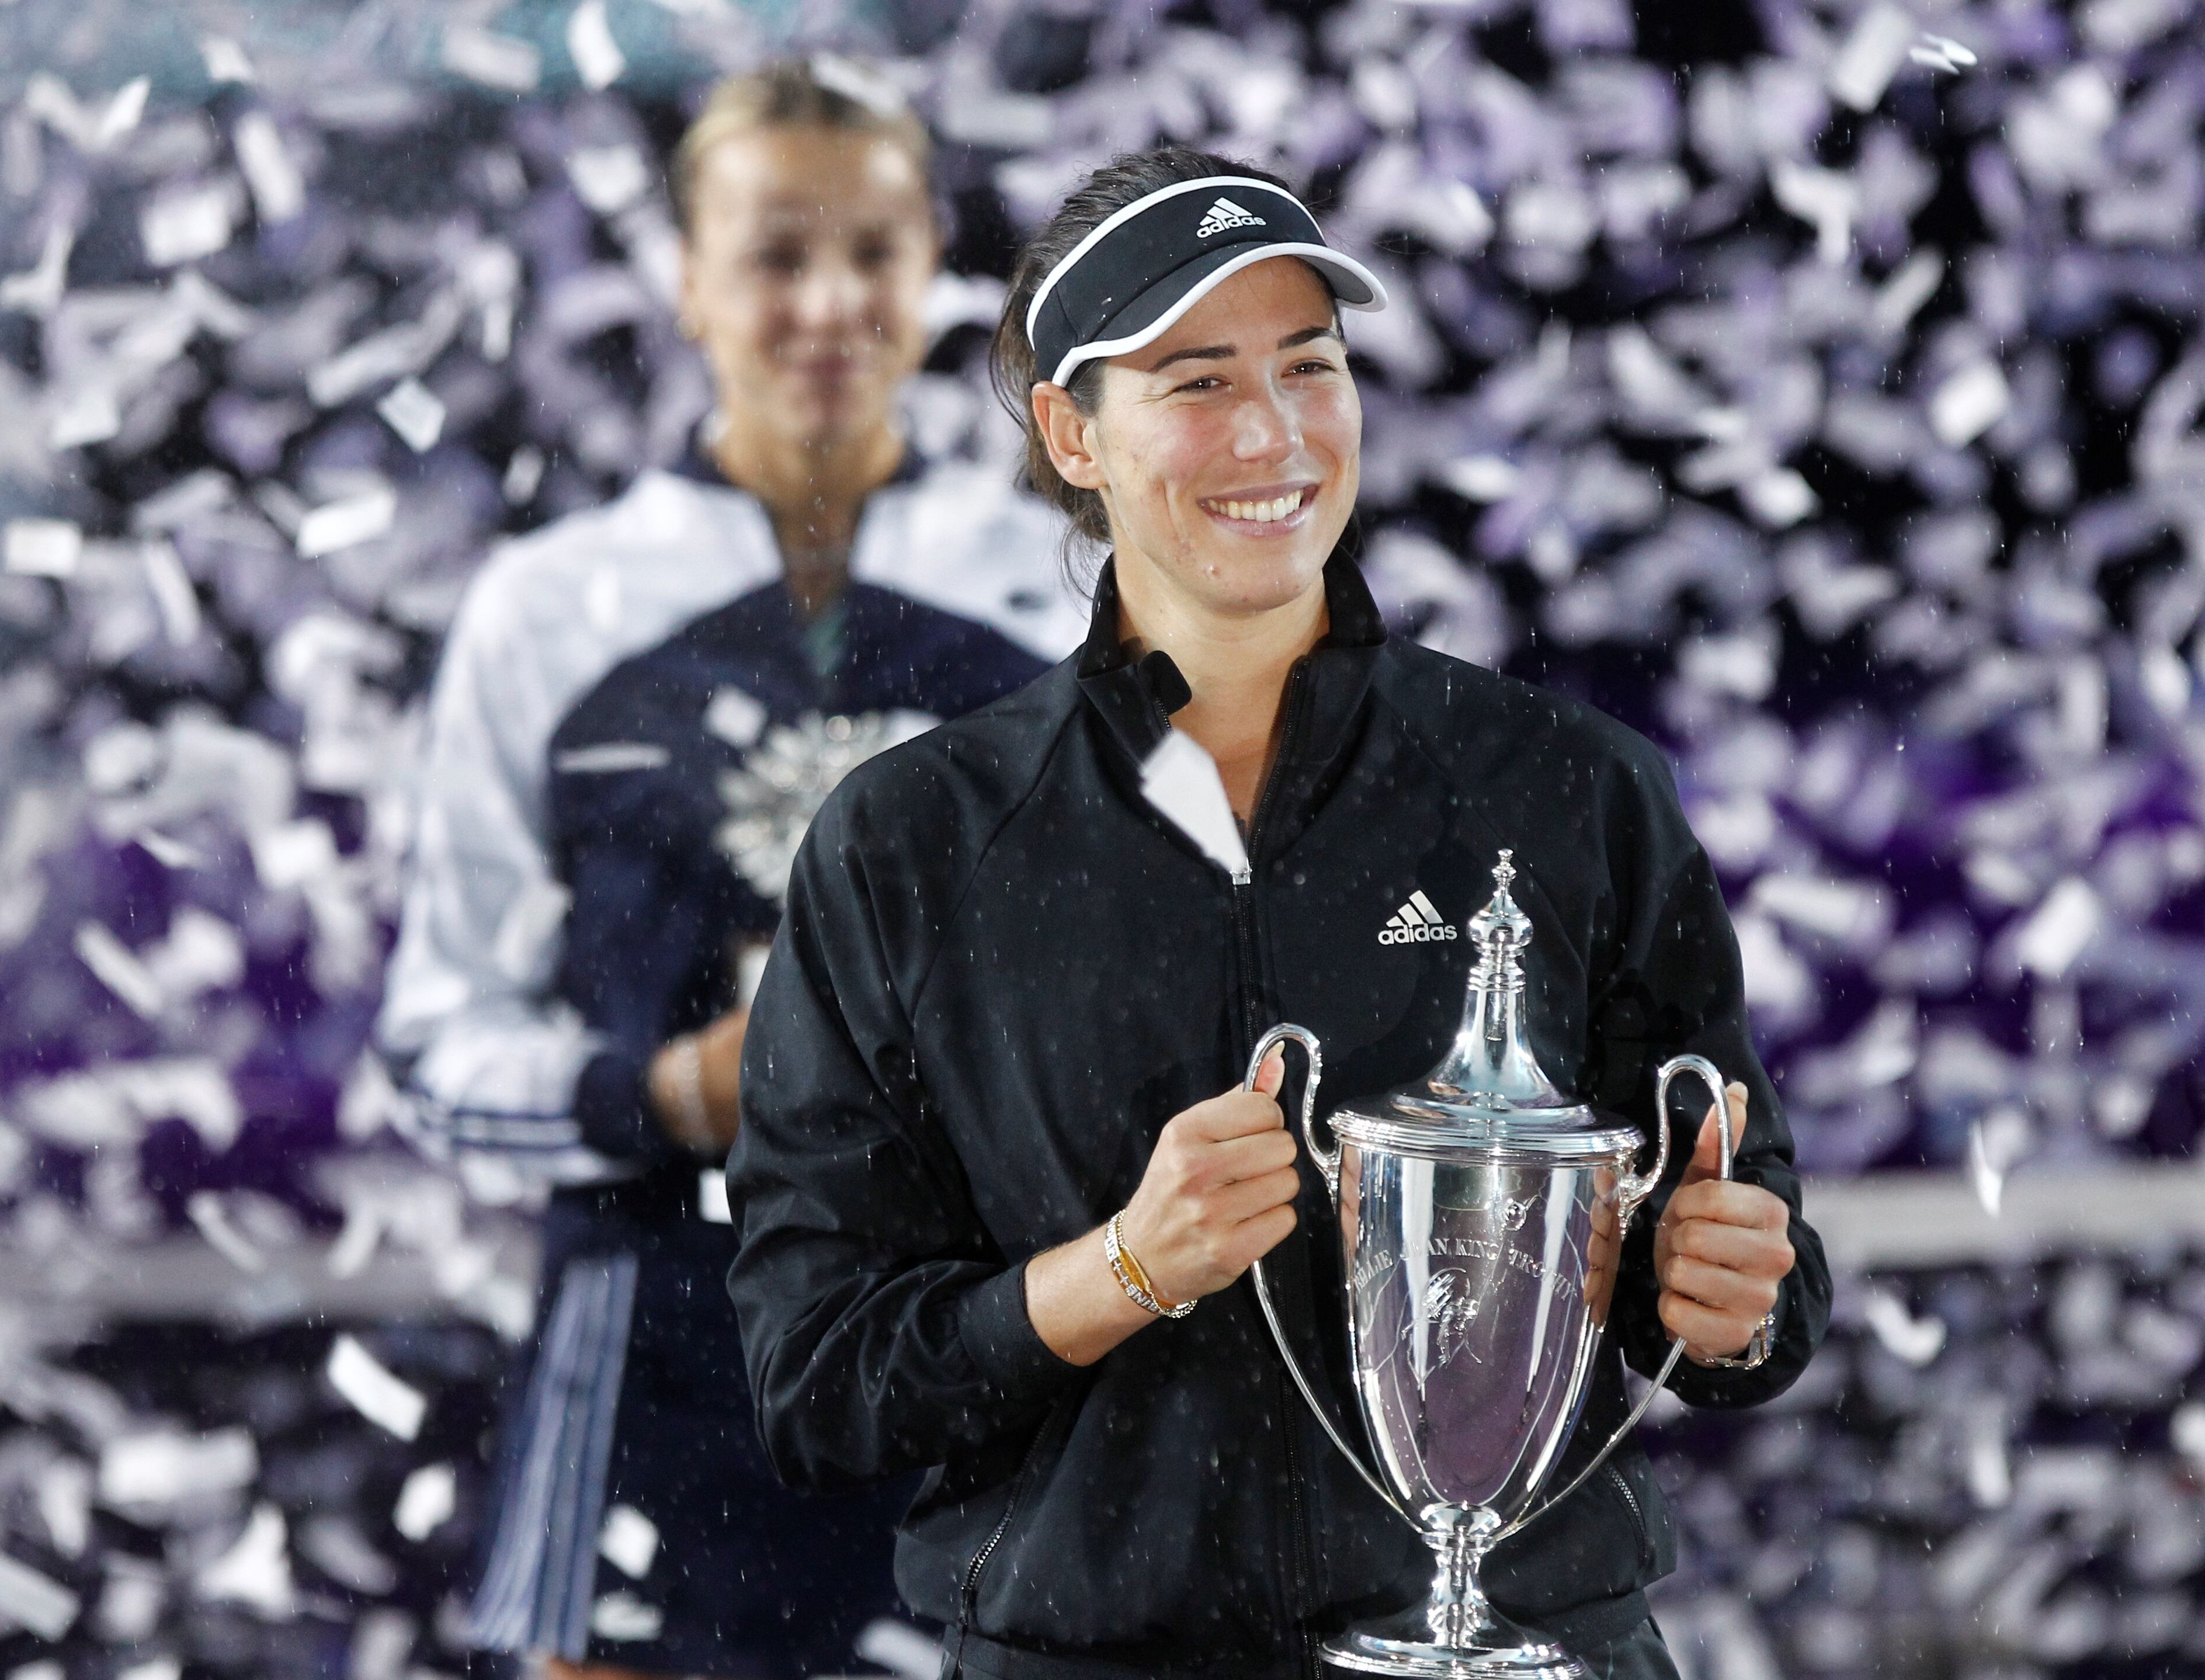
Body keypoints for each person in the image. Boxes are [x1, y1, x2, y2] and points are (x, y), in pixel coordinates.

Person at [725, 147, 1832, 1679]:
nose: (1271, 432)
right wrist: (1121, 1265)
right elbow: (815, 1378)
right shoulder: (909, 845)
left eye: (1308, 366)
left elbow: (1749, 1243)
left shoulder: (1564, 789)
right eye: (1194, 381)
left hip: (1523, 1650)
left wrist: (1728, 1292)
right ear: (1073, 433)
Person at [375, 61, 1081, 1680]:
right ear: (687, 283)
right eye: (775, 253)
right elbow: (434, 1050)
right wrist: (669, 1093)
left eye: (875, 251)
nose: (828, 301)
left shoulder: (1067, 601)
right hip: (646, 1356)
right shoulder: (549, 610)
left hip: (978, 1360)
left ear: (936, 278)